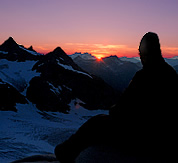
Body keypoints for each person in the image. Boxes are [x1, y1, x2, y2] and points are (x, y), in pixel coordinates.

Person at [55, 32, 178, 162]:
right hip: (162, 139)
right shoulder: (170, 73)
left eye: (141, 54)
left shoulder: (143, 76)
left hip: (139, 137)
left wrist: (115, 110)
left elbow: (122, 109)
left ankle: (66, 152)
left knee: (97, 123)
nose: (141, 58)